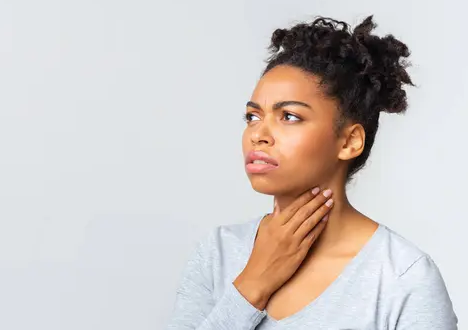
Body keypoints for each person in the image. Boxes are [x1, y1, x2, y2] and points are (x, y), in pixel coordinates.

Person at [164, 16, 458, 329]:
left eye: (289, 116)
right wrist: (253, 284)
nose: (258, 134)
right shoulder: (218, 253)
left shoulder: (402, 276)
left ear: (349, 141)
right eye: (252, 116)